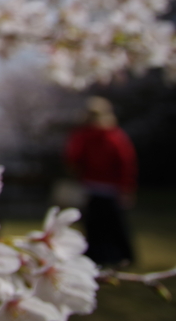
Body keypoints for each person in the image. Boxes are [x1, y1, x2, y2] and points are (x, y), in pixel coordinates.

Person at [64, 96, 137, 267]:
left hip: (91, 186)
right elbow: (126, 163)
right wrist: (127, 188)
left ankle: (97, 256)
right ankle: (122, 255)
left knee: (95, 225)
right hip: (109, 187)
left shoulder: (82, 135)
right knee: (114, 224)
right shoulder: (115, 136)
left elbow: (73, 158)